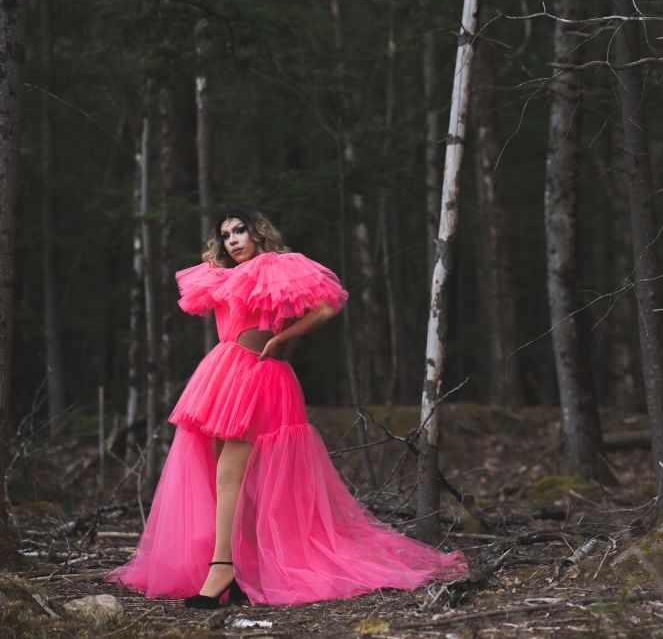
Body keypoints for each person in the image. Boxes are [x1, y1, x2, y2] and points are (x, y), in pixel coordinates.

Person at [107, 205, 465, 607]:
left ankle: (223, 567)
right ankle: (242, 570)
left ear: (258, 233)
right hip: (223, 373)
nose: (233, 240)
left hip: (261, 377)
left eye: (240, 231)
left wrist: (281, 339)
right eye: (226, 235)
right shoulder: (220, 274)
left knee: (230, 473)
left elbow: (327, 307)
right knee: (227, 472)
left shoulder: (276, 264)